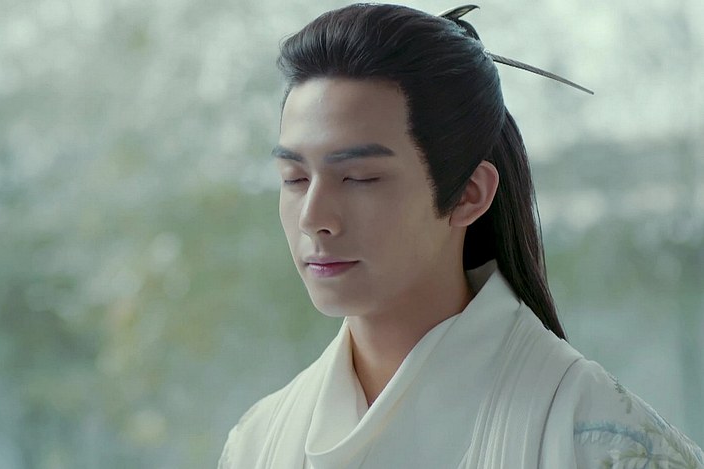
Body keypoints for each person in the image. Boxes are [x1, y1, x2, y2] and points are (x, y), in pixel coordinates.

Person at [219, 4, 704, 468]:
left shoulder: (598, 439)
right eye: (294, 178)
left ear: (469, 194)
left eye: (360, 178)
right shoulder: (257, 443)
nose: (313, 217)